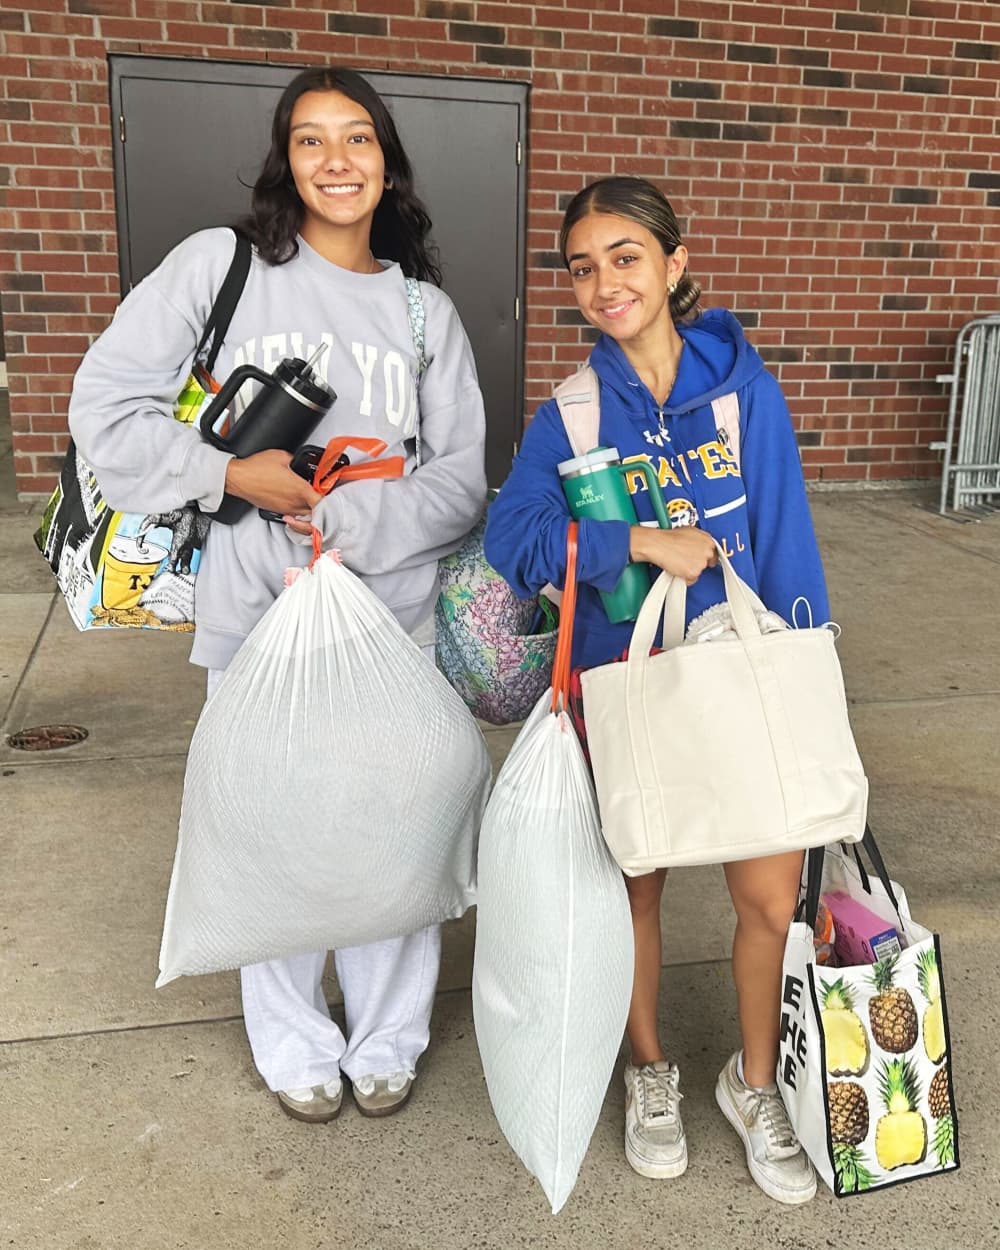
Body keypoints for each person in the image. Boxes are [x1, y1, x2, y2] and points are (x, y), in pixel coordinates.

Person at [68, 67, 487, 1123]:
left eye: (358, 139)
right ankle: (294, 1041)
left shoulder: (423, 311)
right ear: (285, 161)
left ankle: (388, 1035)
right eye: (312, 141)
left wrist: (341, 519)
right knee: (273, 832)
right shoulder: (223, 269)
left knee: (397, 825)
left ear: (387, 161)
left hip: (387, 620)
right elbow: (106, 409)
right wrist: (231, 475)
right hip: (256, 617)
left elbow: (458, 481)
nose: (336, 161)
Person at [484, 175, 827, 1205]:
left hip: (743, 675)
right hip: (626, 684)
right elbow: (512, 538)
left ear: (674, 266)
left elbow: (785, 538)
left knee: (768, 895)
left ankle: (752, 1079)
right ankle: (648, 1070)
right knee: (636, 884)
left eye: (624, 256)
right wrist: (633, 538)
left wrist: (809, 672)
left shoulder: (740, 390)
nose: (603, 281)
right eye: (582, 266)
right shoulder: (576, 410)